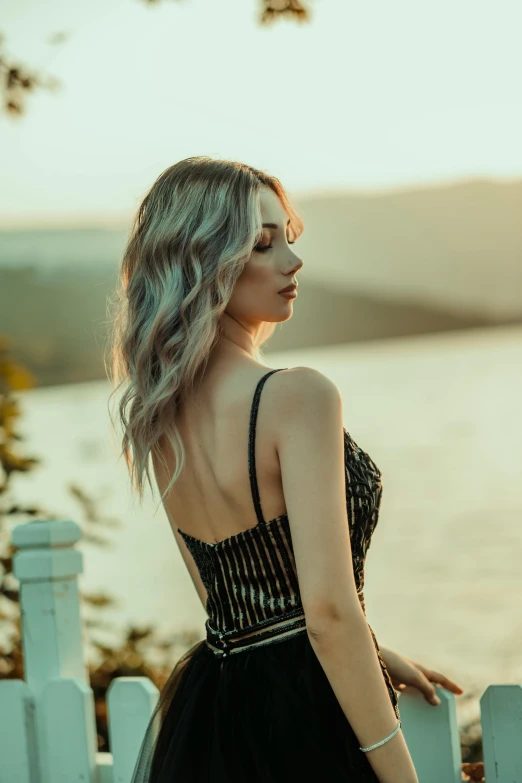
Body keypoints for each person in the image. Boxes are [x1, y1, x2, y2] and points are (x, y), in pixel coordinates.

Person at [106, 156, 447, 782]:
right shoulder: (297, 396)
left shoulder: (160, 418)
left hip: (223, 715)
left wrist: (374, 653)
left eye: (288, 238)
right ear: (204, 259)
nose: (292, 262)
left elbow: (232, 605)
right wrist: (403, 776)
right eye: (263, 244)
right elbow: (327, 615)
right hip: (309, 721)